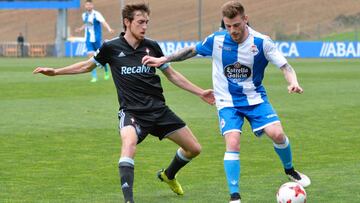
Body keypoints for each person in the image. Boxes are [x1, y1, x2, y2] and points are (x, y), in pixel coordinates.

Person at [34, 3, 214, 203]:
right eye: (140, 22)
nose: (144, 27)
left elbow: (172, 75)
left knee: (194, 149)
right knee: (128, 143)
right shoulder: (111, 48)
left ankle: (168, 175)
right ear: (127, 22)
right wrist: (56, 72)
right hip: (132, 112)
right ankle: (129, 200)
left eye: (146, 22)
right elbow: (86, 66)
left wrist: (200, 92)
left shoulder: (152, 46)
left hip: (159, 110)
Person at [142, 1, 311, 203]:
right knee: (233, 142)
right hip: (227, 101)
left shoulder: (262, 42)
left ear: (245, 20)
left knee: (278, 133)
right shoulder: (217, 39)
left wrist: (293, 82)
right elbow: (191, 51)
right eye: (228, 26)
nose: (233, 30)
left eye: (237, 25)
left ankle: (290, 170)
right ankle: (235, 197)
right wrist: (163, 59)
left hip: (255, 98)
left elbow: (286, 67)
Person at [75, 0, 114, 82]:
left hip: (97, 39)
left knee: (102, 56)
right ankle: (94, 76)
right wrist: (80, 29)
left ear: (92, 6)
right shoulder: (84, 15)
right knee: (90, 57)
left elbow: (103, 22)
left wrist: (109, 28)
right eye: (87, 5)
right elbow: (87, 24)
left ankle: (106, 71)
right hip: (88, 39)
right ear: (85, 6)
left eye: (90, 4)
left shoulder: (96, 14)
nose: (88, 6)